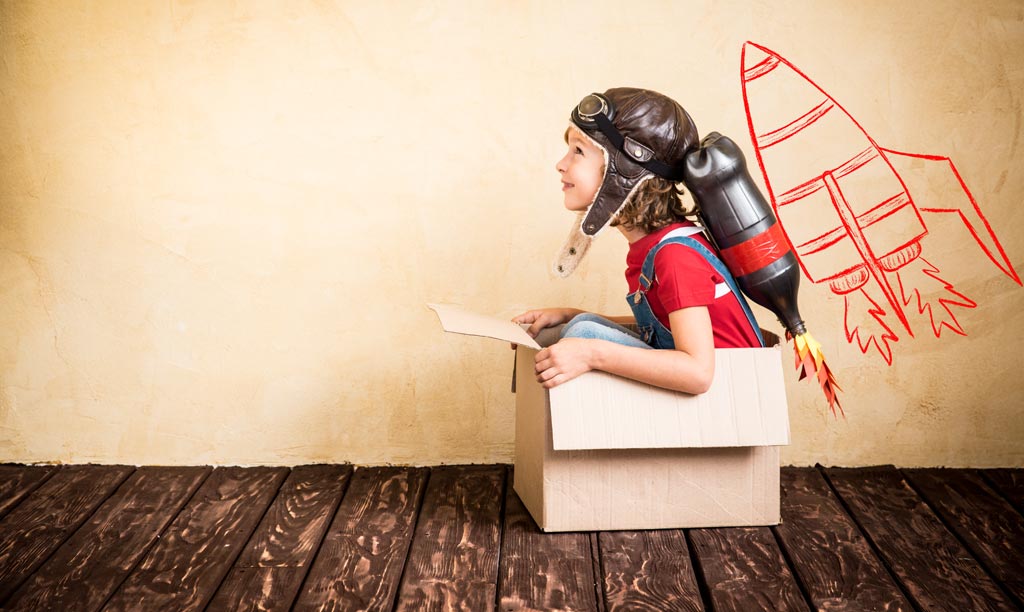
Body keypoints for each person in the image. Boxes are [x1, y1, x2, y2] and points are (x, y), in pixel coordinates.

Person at [514, 88, 762, 394]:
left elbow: (698, 373)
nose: (561, 164)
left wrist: (591, 352)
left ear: (626, 169)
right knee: (582, 326)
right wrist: (570, 315)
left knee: (585, 335)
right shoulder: (652, 249)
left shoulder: (674, 257)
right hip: (710, 394)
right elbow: (664, 328)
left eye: (578, 151)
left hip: (731, 400)